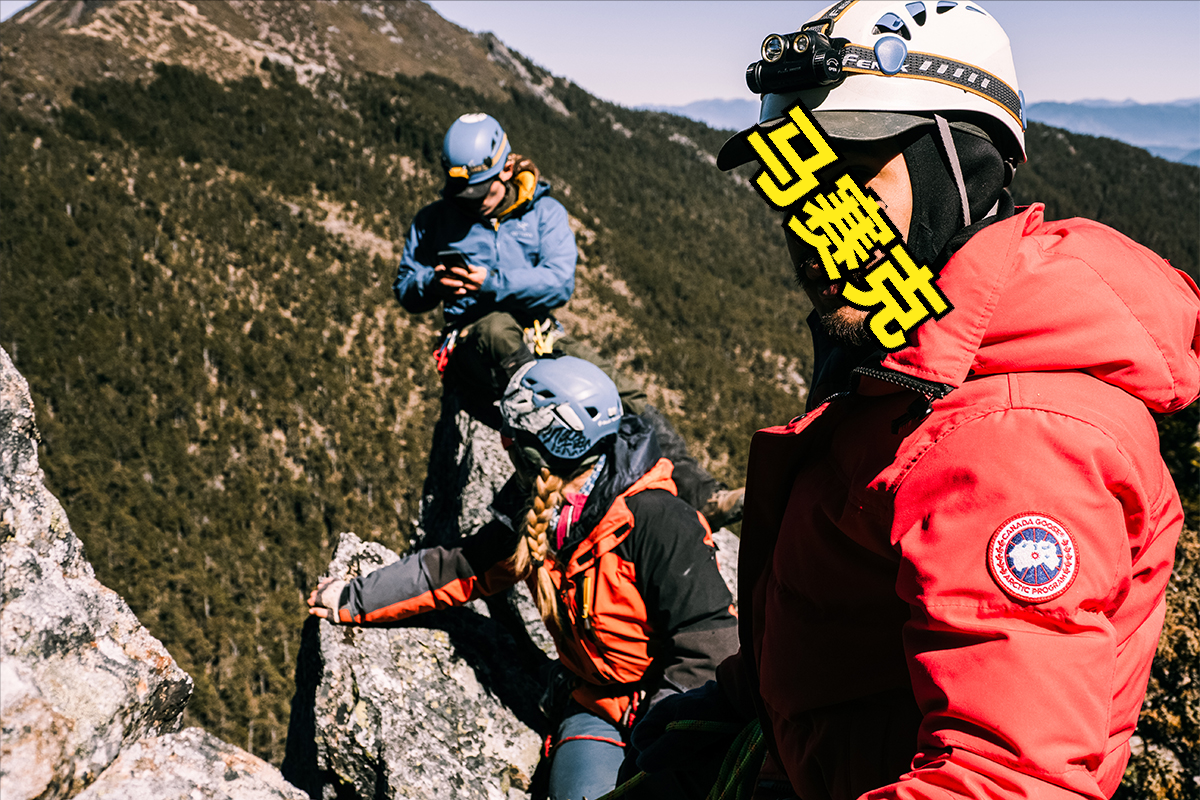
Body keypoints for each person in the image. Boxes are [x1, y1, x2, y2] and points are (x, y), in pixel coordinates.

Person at [628, 1, 1200, 799]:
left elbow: (1007, 782)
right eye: (797, 178)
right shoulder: (912, 363)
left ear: (959, 169)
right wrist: (736, 704)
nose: (818, 219)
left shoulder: (1018, 441)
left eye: (853, 169)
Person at [308, 356, 740, 800]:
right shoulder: (535, 503)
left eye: (513, 435)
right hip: (596, 703)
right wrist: (355, 597)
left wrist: (655, 744)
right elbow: (462, 567)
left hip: (673, 707)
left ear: (545, 446)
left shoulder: (656, 519)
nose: (504, 442)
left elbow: (710, 650)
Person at [395, 112, 744, 527]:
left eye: (478, 190)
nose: (468, 200)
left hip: (539, 334)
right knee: (495, 329)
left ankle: (704, 495)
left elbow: (558, 284)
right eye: (462, 191)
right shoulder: (434, 219)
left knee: (622, 393)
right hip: (472, 340)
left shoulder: (544, 214)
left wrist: (489, 282)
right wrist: (435, 282)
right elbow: (406, 287)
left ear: (506, 168)